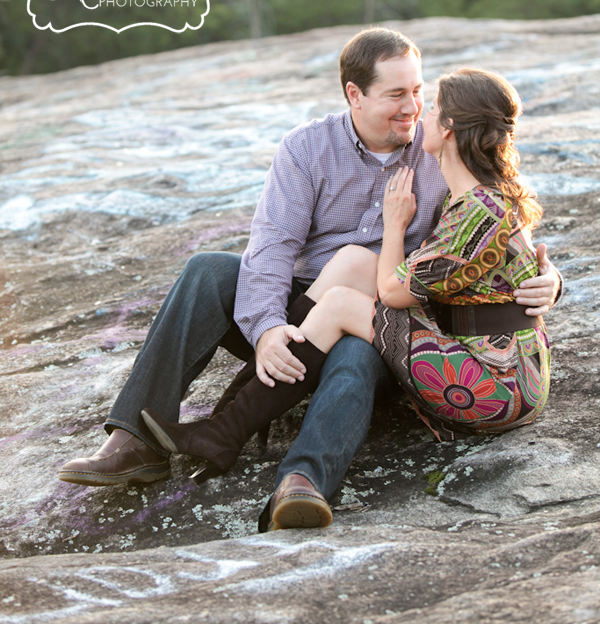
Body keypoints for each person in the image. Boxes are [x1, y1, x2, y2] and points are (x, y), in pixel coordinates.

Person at [59, 30, 560, 531]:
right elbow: (271, 248)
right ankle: (133, 442)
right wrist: (267, 328)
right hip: (304, 307)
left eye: (418, 93)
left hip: (381, 319)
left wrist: (549, 280)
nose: (412, 108)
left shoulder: (438, 158)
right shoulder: (306, 148)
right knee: (207, 270)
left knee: (357, 340)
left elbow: (504, 229)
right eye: (395, 95)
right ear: (354, 94)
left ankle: (302, 481)